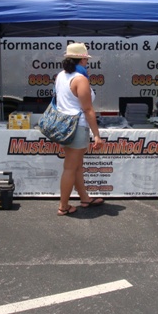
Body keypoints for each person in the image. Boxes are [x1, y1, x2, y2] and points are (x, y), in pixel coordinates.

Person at [54, 43, 105, 216]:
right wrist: (96, 135)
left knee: (76, 166)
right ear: (83, 59)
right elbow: (88, 109)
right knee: (71, 167)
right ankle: (63, 206)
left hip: (64, 126)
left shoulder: (61, 76)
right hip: (77, 126)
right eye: (86, 59)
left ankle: (84, 198)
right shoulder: (80, 79)